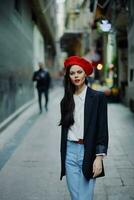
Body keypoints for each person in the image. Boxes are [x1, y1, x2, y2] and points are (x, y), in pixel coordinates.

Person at [59, 56, 108, 200]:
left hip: (88, 150)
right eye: (72, 73)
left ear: (85, 73)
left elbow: (102, 129)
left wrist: (99, 157)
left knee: (84, 197)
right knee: (75, 197)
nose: (76, 76)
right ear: (68, 76)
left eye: (79, 72)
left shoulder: (98, 98)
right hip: (69, 152)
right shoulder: (66, 100)